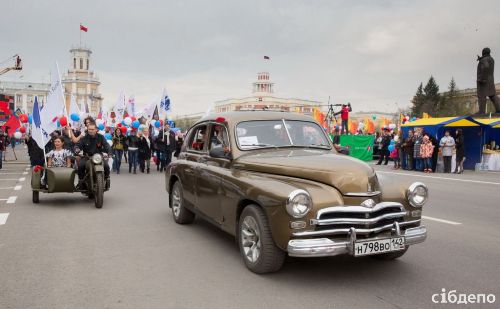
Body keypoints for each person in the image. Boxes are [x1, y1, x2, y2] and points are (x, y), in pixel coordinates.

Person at [75, 123, 111, 188]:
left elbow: (106, 145)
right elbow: (78, 144)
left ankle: (106, 178)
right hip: (87, 157)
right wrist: (77, 149)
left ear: (96, 130)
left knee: (106, 166)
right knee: (80, 166)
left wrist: (109, 152)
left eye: (92, 129)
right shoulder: (84, 138)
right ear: (87, 129)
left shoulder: (101, 137)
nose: (91, 130)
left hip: (98, 157)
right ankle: (81, 181)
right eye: (89, 129)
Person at [476, 47, 500, 114]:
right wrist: (481, 59)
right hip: (490, 80)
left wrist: (482, 78)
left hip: (483, 81)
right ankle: (499, 108)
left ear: (483, 52)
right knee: (492, 95)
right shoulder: (491, 59)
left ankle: (481, 111)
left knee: (481, 95)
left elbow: (486, 67)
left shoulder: (484, 60)